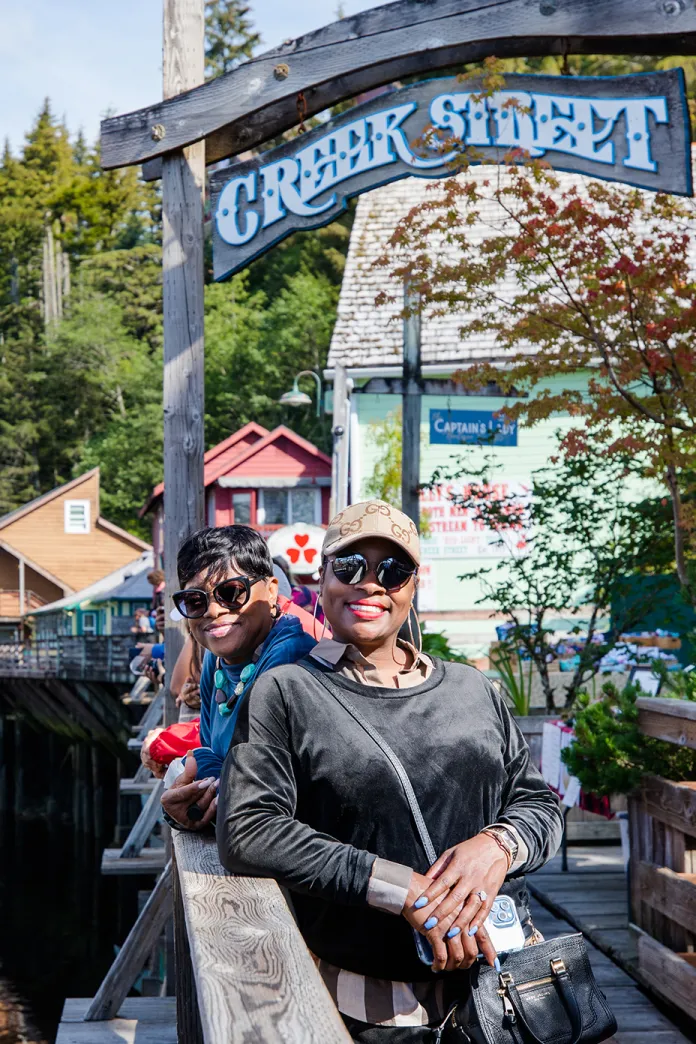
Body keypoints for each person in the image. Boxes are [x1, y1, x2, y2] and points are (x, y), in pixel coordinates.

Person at [218, 500, 563, 1042]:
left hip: (503, 990)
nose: (370, 584)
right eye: (350, 567)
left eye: (393, 570)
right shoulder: (286, 691)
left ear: (413, 585)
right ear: (322, 576)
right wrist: (403, 891)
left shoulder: (474, 688)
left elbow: (539, 805)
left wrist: (495, 847)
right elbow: (250, 831)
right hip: (368, 1006)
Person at [160, 525, 318, 831]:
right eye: (195, 601)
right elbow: (216, 761)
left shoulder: (289, 660)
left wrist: (192, 767)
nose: (214, 611)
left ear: (271, 591)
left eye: (231, 593)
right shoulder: (216, 659)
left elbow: (248, 786)